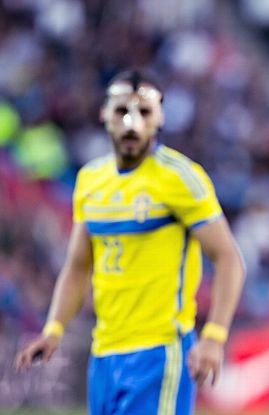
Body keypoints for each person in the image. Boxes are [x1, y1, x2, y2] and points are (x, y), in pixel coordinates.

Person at [15, 69, 246, 415]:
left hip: (160, 353)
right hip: (104, 355)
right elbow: (78, 266)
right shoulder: (90, 180)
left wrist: (214, 336)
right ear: (104, 114)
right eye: (122, 110)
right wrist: (54, 328)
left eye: (144, 112)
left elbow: (229, 259)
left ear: (160, 117)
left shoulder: (180, 178)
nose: (131, 124)